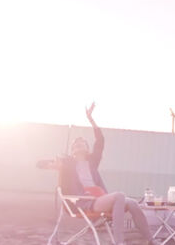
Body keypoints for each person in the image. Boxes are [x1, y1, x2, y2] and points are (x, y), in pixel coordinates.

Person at [51, 103, 154, 245]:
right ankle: (118, 242)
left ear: (87, 148)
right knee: (119, 196)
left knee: (133, 203)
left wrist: (91, 119)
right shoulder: (69, 165)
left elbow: (100, 140)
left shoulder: (92, 162)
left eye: (82, 142)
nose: (79, 144)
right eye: (76, 144)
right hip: (85, 202)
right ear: (72, 150)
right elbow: (42, 164)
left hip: (99, 198)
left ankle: (151, 241)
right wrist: (56, 163)